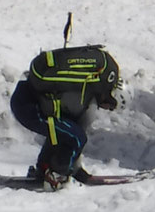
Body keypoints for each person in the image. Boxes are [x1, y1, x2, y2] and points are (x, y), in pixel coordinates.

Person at [9, 40, 125, 189]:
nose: (107, 108)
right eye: (111, 105)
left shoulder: (85, 87)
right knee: (76, 137)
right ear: (111, 95)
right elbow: (77, 126)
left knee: (64, 133)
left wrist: (79, 172)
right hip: (29, 109)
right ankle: (58, 176)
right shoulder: (85, 94)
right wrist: (73, 170)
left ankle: (44, 169)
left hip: (23, 100)